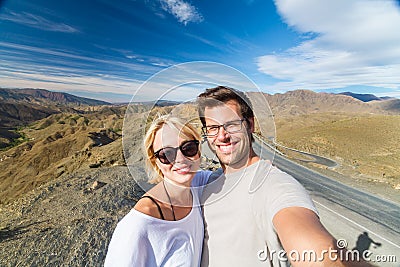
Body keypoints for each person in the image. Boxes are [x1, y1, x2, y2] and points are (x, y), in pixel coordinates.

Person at [197, 86, 370, 266]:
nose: (222, 136)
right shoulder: (207, 181)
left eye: (231, 125)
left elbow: (317, 253)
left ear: (250, 124)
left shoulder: (274, 184)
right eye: (213, 128)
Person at [104, 116, 211, 266]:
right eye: (167, 154)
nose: (180, 159)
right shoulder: (139, 226)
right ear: (156, 162)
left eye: (188, 148)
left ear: (198, 151)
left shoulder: (197, 185)